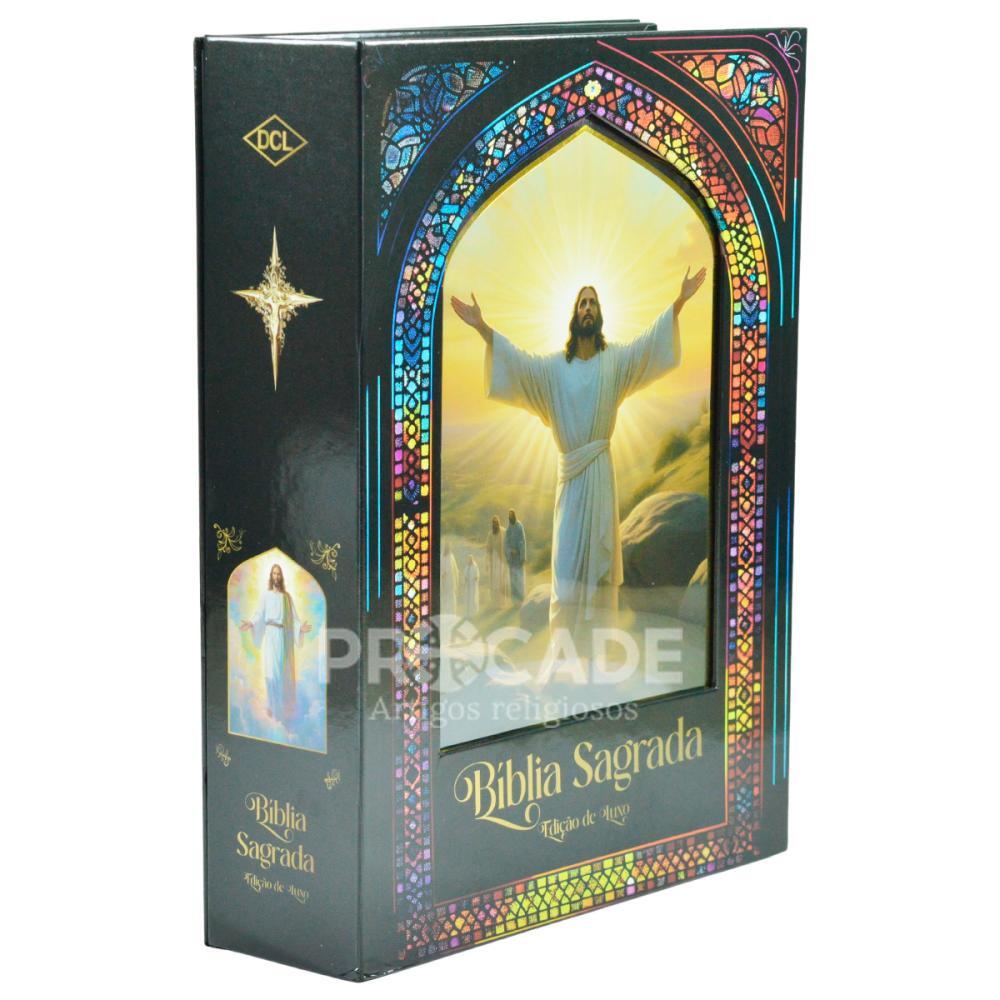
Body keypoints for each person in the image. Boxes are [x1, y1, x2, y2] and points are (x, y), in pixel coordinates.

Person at [450, 270, 706, 648]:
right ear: (574, 314)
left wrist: (680, 301)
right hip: (570, 480)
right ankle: (564, 648)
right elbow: (518, 365)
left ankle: (594, 649)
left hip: (600, 473)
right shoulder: (555, 369)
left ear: (599, 314)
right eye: (583, 303)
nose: (588, 308)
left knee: (598, 575)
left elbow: (649, 345)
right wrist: (482, 328)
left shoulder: (614, 362)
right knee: (567, 566)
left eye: (593, 303)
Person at [240, 564, 312, 722]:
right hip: (270, 635)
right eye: (274, 573)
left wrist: (300, 628)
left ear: (281, 577)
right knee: (270, 672)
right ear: (271, 576)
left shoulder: (286, 597)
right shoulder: (265, 596)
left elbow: (294, 618)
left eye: (278, 574)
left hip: (282, 637)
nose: (276, 577)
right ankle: (272, 707)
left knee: (281, 672)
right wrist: (251, 623)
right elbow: (259, 614)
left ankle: (281, 709)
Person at [504, 508, 527, 604]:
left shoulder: (519, 526)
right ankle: (514, 599)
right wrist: (510, 551)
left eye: (511, 515)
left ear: (514, 515)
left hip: (518, 556)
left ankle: (521, 598)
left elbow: (523, 541)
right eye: (509, 515)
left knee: (519, 577)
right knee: (512, 578)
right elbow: (506, 542)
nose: (510, 517)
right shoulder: (508, 528)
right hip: (512, 558)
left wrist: (522, 555)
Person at [485, 515, 509, 607]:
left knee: (501, 581)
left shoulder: (503, 531)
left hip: (502, 560)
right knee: (494, 582)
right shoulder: (490, 534)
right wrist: (487, 562)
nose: (495, 524)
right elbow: (488, 548)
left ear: (498, 523)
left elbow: (507, 544)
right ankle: (494, 602)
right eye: (493, 523)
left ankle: (502, 602)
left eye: (496, 522)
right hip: (494, 560)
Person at [463, 555, 480, 619]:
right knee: (468, 599)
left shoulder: (475, 567)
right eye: (469, 559)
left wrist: (476, 578)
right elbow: (464, 574)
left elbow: (477, 575)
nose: (469, 560)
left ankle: (473, 613)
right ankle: (467, 613)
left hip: (473, 586)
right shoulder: (467, 567)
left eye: (470, 559)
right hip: (468, 586)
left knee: (473, 599)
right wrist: (465, 578)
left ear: (472, 559)